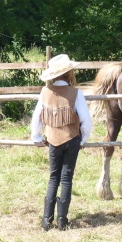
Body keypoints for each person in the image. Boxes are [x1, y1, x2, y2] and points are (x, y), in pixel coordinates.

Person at [31, 54, 92, 231]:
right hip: (72, 139)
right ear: (68, 73)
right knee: (66, 179)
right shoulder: (76, 93)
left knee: (53, 178)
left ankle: (46, 220)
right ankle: (62, 221)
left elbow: (36, 118)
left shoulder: (45, 92)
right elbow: (86, 121)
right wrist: (84, 139)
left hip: (52, 140)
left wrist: (36, 138)